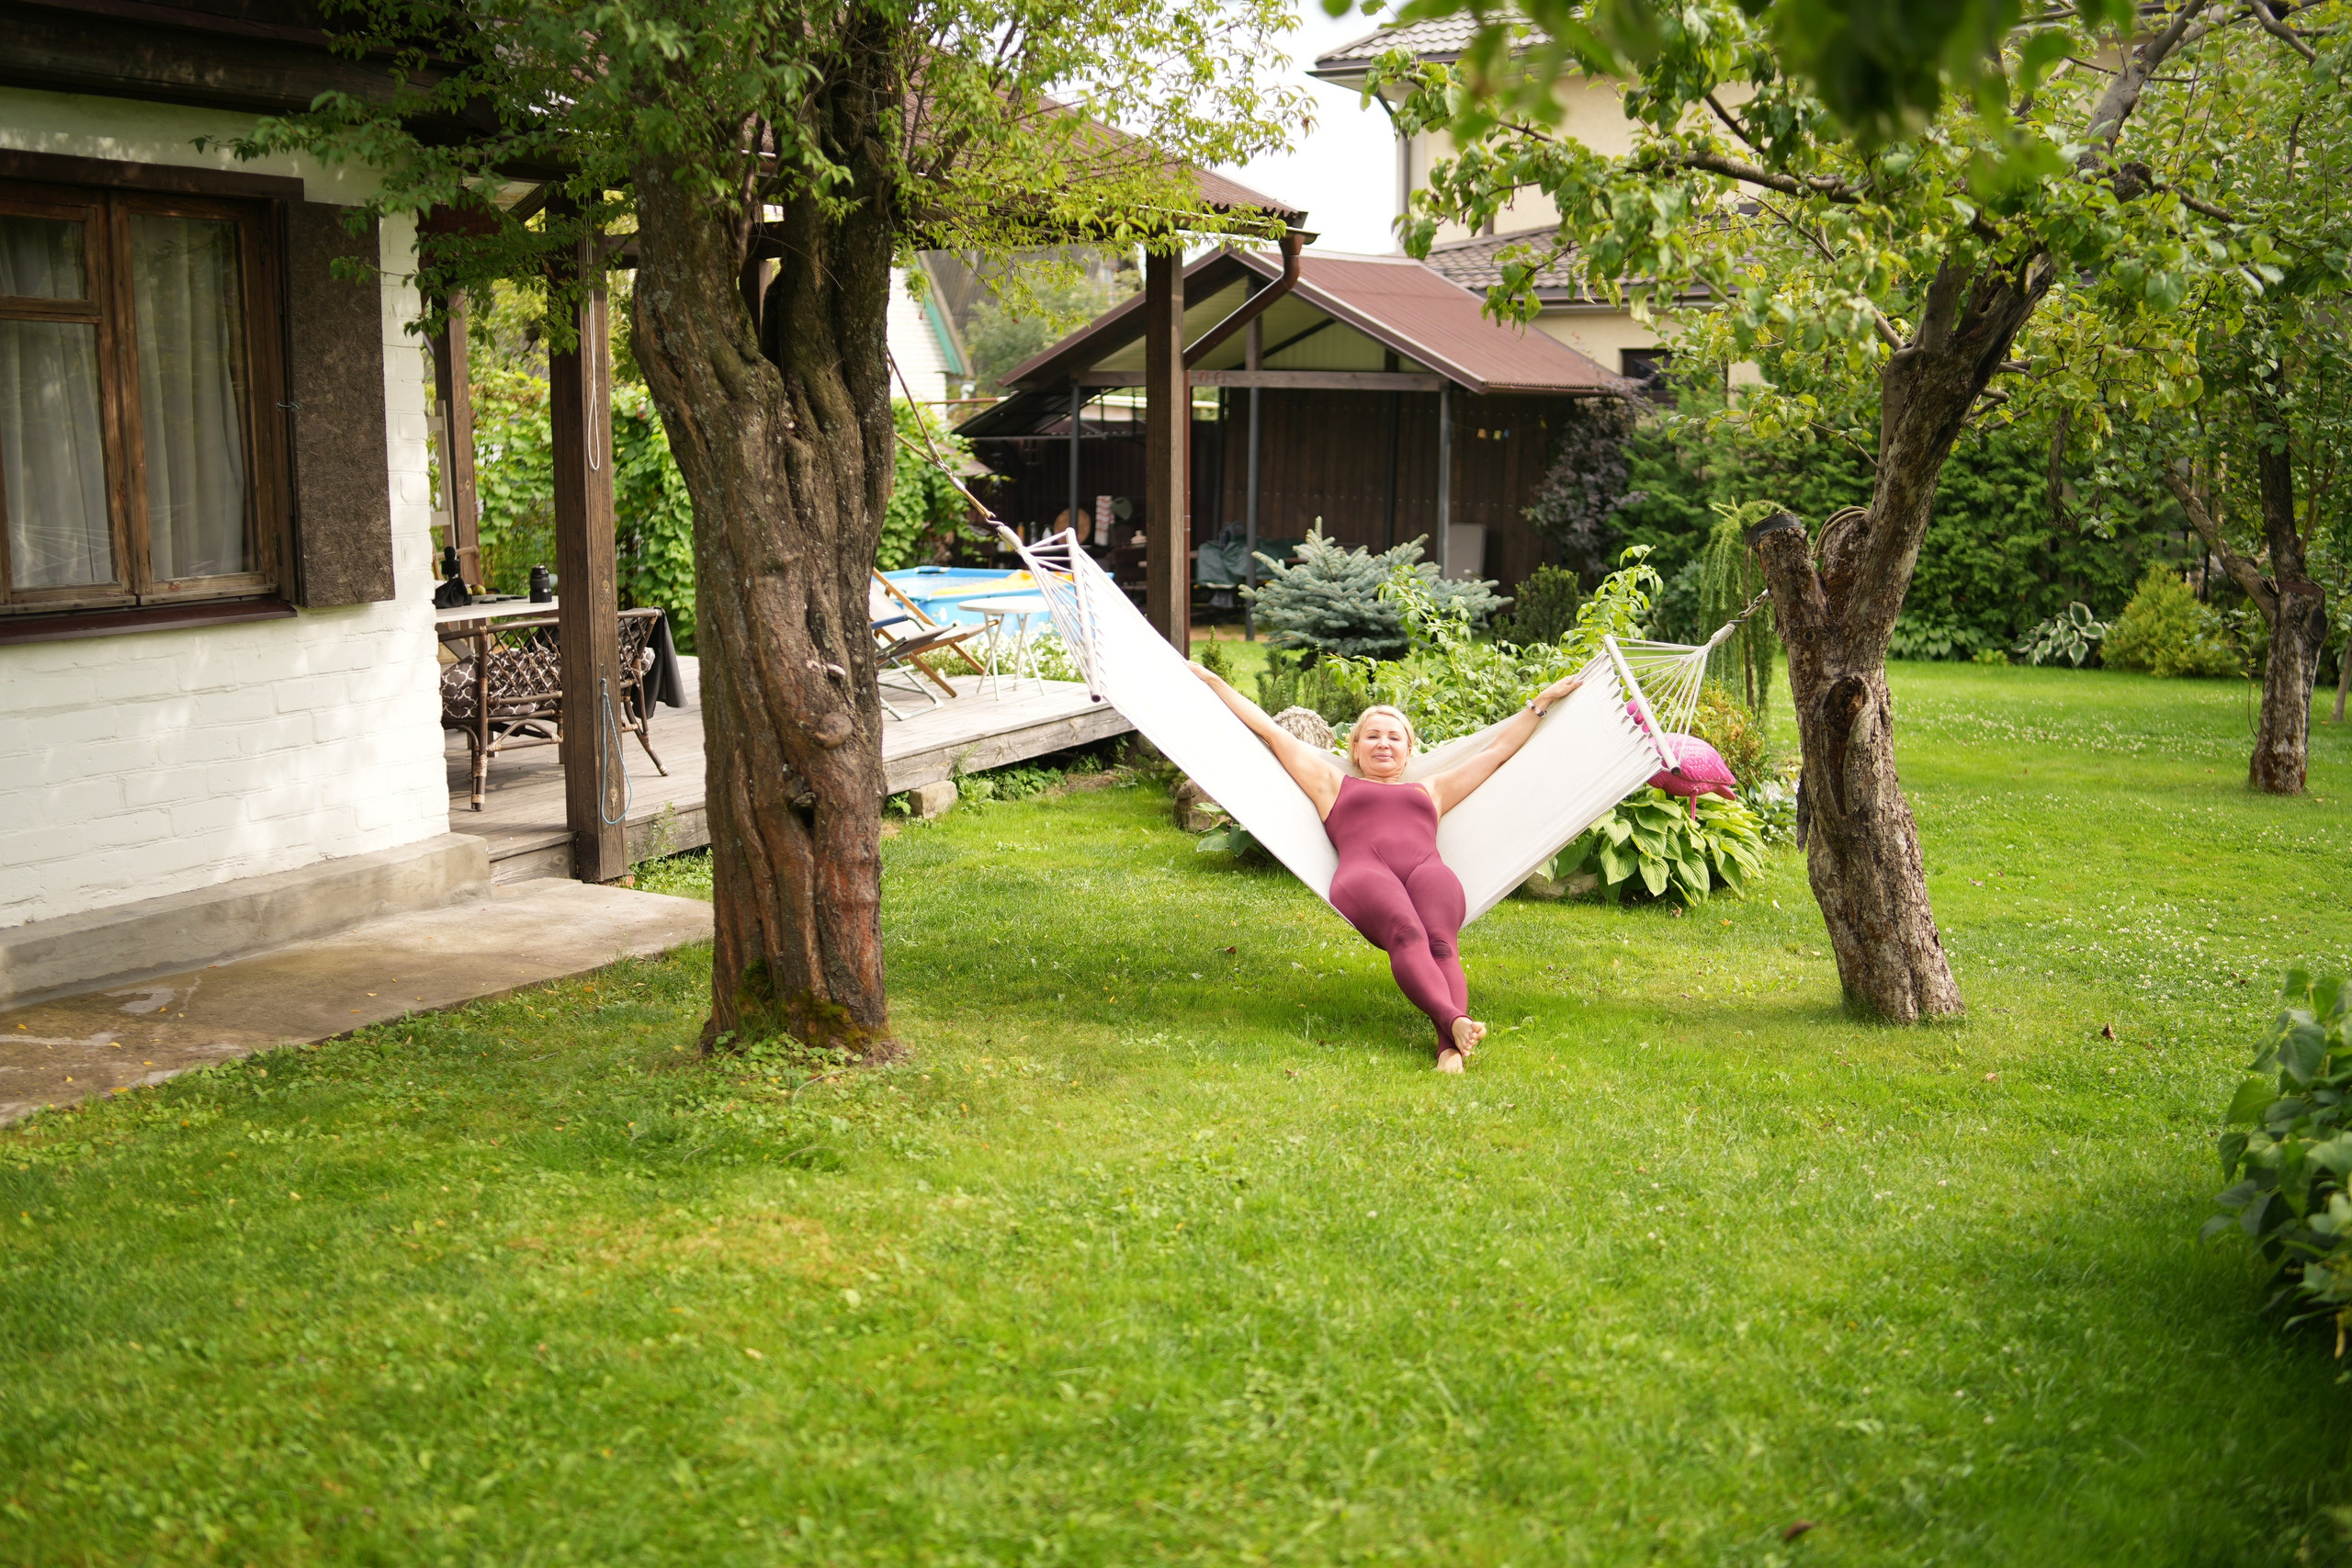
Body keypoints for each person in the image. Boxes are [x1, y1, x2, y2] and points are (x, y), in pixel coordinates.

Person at [1190, 665, 1586, 1073]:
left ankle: (1450, 1049)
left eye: (1394, 737)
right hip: (1365, 873)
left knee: (1442, 944)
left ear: (1409, 750)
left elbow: (1497, 752)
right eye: (1373, 736)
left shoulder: (1433, 789)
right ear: (1355, 748)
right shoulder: (1331, 783)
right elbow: (1272, 734)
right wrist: (1214, 682)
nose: (1383, 744)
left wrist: (1542, 701)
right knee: (1407, 933)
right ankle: (1454, 1023)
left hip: (1427, 869)